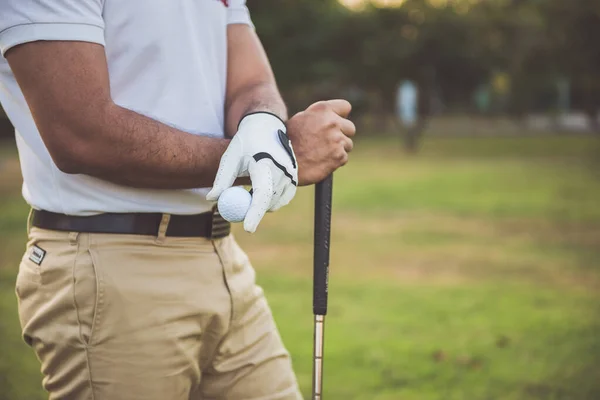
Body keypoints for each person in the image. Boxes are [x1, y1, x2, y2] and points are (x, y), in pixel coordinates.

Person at [0, 1, 356, 399]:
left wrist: (264, 128)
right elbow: (81, 135)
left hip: (222, 257)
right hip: (110, 267)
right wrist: (262, 158)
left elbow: (251, 85)